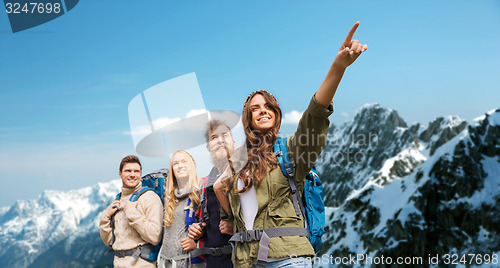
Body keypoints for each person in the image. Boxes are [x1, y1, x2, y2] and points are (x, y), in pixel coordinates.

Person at [214, 22, 367, 267]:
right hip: (246, 260)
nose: (262, 111)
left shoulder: (291, 151)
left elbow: (314, 119)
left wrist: (338, 68)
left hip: (288, 258)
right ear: (248, 119)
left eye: (268, 107)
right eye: (255, 109)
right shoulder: (238, 162)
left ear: (276, 113)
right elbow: (227, 204)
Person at [99, 155, 163, 268]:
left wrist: (132, 212)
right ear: (120, 174)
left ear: (140, 174)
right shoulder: (117, 200)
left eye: (136, 171)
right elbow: (109, 242)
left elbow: (155, 237)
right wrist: (105, 217)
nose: (132, 175)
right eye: (128, 171)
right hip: (118, 264)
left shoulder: (149, 197)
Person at [188, 120, 237, 267]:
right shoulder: (206, 185)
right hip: (213, 262)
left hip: (241, 260)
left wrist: (236, 228)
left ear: (234, 142)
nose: (220, 141)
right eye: (214, 137)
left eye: (224, 135)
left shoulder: (245, 175)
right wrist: (199, 231)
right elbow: (210, 222)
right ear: (208, 147)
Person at [158, 150, 206, 268]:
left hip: (189, 262)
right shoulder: (169, 197)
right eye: (175, 163)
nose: (180, 166)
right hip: (166, 261)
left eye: (184, 161)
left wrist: (198, 244)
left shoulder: (201, 192)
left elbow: (213, 229)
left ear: (192, 165)